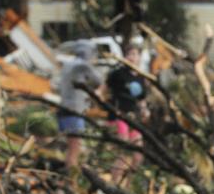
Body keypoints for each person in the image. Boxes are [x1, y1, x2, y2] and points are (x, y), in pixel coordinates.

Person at [104, 46, 147, 186]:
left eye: (135, 54)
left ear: (140, 58)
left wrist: (145, 110)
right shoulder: (118, 74)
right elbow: (104, 89)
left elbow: (141, 99)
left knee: (138, 154)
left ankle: (128, 185)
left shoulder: (141, 77)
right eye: (130, 53)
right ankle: (114, 184)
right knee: (123, 151)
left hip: (134, 118)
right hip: (120, 115)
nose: (132, 57)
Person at [57, 40, 101, 172]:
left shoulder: (67, 65)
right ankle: (71, 181)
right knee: (75, 149)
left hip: (64, 109)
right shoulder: (82, 65)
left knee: (72, 148)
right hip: (74, 112)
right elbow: (98, 80)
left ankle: (69, 179)